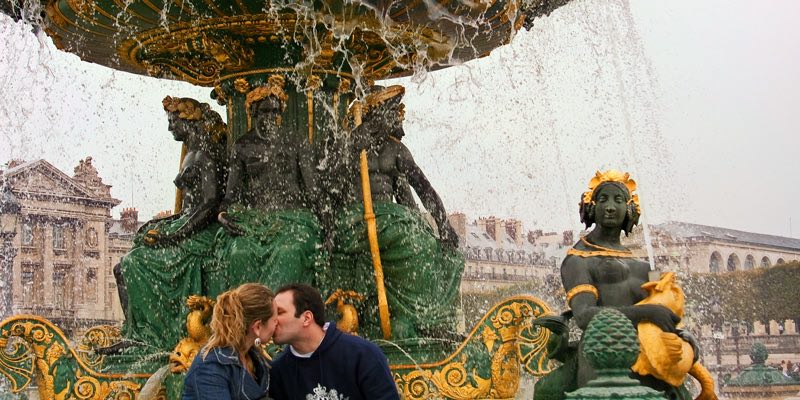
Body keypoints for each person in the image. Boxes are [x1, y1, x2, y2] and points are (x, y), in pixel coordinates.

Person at [535, 170, 698, 400]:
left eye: (618, 200)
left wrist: (684, 339)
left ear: (630, 209)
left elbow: (664, 317)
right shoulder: (577, 260)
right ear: (591, 207)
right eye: (603, 200)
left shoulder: (642, 265)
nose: (610, 207)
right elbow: (583, 316)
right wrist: (646, 313)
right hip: (601, 358)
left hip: (647, 356)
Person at [326, 85, 464, 339]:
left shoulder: (396, 150)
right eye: (390, 112)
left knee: (439, 248)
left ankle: (426, 316)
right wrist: (353, 148)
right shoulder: (350, 143)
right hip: (356, 219)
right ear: (375, 114)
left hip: (388, 218)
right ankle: (419, 317)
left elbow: (424, 188)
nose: (394, 118)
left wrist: (444, 225)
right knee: (414, 242)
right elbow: (330, 184)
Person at [115, 96, 228, 352]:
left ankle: (152, 335)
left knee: (132, 263)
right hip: (188, 225)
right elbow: (190, 207)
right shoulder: (192, 154)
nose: (170, 128)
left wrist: (174, 235)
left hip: (201, 232)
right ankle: (137, 332)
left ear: (189, 121)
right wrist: (166, 224)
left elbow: (210, 204)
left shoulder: (206, 154)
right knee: (123, 265)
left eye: (173, 121)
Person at [215, 75, 323, 289]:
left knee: (289, 252)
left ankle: (277, 313)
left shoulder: (296, 141)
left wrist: (326, 224)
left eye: (275, 111)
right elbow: (231, 195)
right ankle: (248, 313)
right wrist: (223, 215)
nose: (271, 117)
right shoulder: (242, 146)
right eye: (265, 111)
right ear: (253, 112)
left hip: (294, 218)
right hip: (255, 219)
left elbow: (313, 190)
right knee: (239, 252)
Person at [268, 283, 399, 400]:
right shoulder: (278, 371)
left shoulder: (363, 355)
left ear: (306, 318)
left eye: (279, 312)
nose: (272, 320)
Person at [183, 283, 277, 400]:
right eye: (275, 320)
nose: (277, 324)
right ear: (257, 327)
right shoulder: (210, 366)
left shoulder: (255, 358)